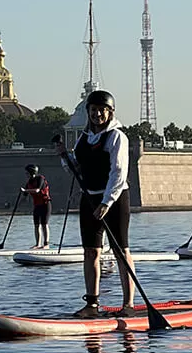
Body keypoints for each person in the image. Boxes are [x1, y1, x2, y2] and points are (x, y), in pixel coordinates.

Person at [57, 90, 136, 319]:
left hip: (115, 198)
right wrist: (64, 156)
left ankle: (128, 304)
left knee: (121, 251)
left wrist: (107, 202)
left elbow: (118, 174)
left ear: (110, 113)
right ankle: (91, 304)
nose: (97, 114)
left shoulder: (117, 137)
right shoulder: (84, 138)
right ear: (88, 112)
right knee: (91, 251)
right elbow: (77, 168)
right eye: (93, 110)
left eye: (102, 110)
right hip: (89, 198)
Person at [21, 164, 51, 248]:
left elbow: (37, 190)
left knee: (44, 224)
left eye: (27, 173)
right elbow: (25, 195)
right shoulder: (29, 182)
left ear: (31, 172)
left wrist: (26, 190)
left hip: (45, 204)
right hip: (37, 205)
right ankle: (38, 244)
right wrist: (22, 198)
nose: (26, 174)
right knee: (36, 225)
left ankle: (46, 244)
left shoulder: (40, 179)